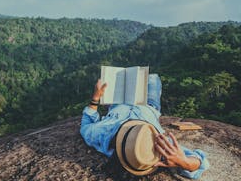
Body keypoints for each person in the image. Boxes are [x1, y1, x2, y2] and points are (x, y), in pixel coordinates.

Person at [80, 74, 209, 179]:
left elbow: (86, 123)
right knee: (153, 77)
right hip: (148, 105)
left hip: (118, 104)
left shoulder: (102, 134)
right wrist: (183, 162)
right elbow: (200, 162)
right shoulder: (154, 145)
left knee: (119, 76)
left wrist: (96, 97)